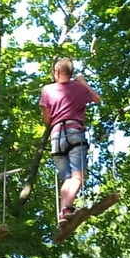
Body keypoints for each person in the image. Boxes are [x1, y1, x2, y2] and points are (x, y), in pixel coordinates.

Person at [39, 58, 101, 226]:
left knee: (67, 178)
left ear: (57, 72)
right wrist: (83, 82)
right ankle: (66, 208)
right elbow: (97, 99)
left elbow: (47, 119)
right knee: (77, 177)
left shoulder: (47, 90)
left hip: (56, 136)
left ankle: (63, 213)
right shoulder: (79, 87)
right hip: (75, 132)